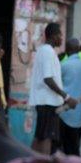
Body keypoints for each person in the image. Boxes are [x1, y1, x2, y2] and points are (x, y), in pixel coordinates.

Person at [28, 23, 77, 154]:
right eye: (60, 35)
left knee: (40, 136)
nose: (62, 38)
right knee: (46, 137)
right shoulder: (48, 52)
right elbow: (48, 79)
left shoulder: (45, 51)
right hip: (47, 102)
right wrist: (66, 97)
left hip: (46, 102)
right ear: (54, 36)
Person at [59, 38, 81, 156]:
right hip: (79, 113)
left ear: (67, 50)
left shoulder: (64, 65)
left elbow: (56, 86)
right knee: (74, 146)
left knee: (61, 147)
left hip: (64, 112)